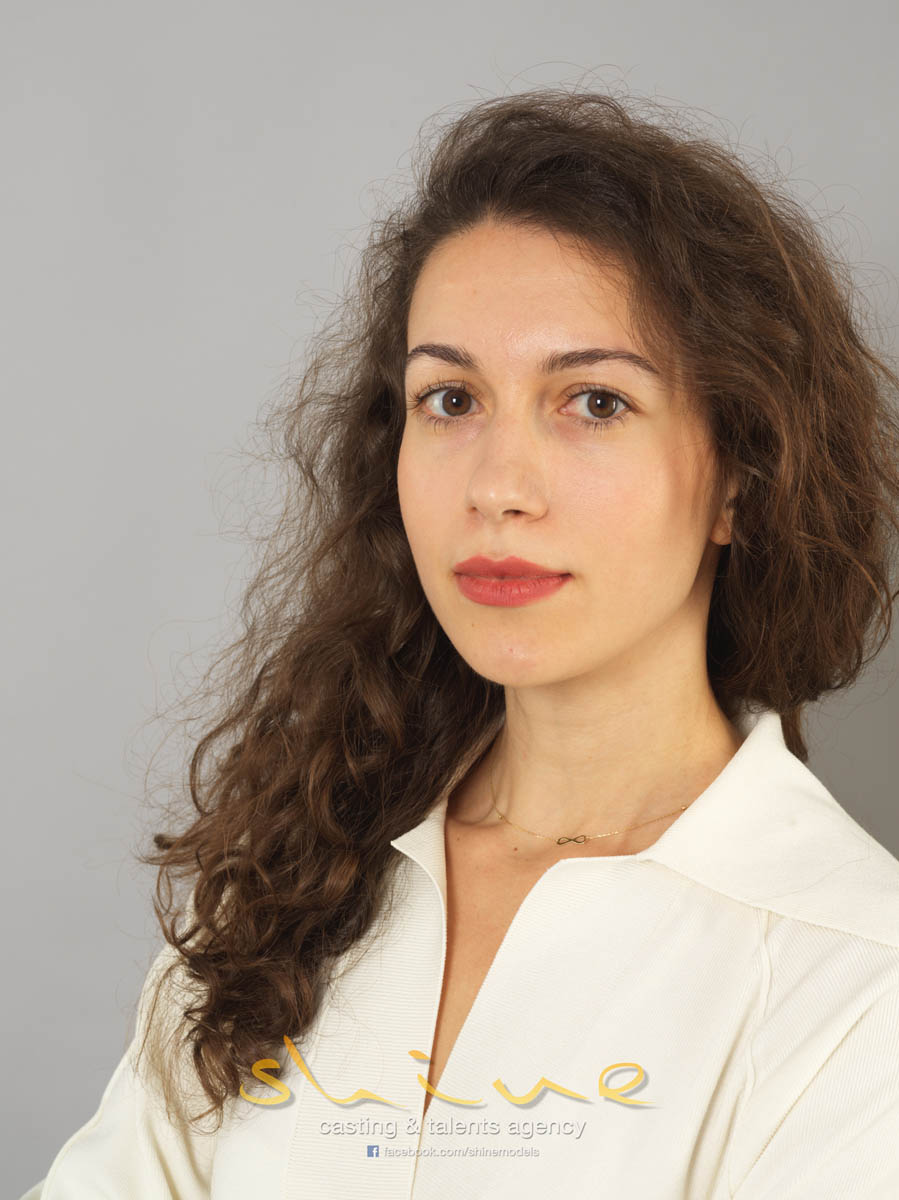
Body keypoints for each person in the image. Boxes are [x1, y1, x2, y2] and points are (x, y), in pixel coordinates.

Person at [21, 87, 899, 1199]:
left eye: (593, 402)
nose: (496, 486)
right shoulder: (288, 882)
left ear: (740, 476)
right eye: (449, 400)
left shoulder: (857, 979)